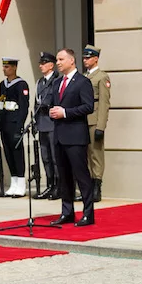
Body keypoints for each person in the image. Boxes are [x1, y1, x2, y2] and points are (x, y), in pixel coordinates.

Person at [47, 48, 96, 226]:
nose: (58, 62)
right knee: (64, 177)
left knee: (81, 176)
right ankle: (67, 212)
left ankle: (88, 214)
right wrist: (52, 111)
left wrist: (65, 112)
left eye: (61, 59)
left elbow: (88, 106)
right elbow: (54, 104)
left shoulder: (82, 82)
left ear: (71, 61)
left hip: (76, 136)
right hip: (59, 136)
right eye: (57, 59)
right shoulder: (57, 82)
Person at [0, 57, 30, 198]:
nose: (4, 69)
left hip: (14, 124)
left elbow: (23, 107)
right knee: (8, 154)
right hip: (4, 124)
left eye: (7, 67)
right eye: (4, 67)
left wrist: (20, 126)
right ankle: (13, 183)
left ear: (14, 68)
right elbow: (0, 104)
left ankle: (21, 184)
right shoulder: (2, 84)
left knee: (17, 154)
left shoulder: (21, 84)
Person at [83, 45, 111, 202]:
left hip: (94, 121)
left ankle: (96, 187)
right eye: (84, 58)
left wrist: (101, 126)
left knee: (96, 155)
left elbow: (104, 104)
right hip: (82, 121)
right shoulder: (83, 76)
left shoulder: (102, 77)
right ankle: (87, 187)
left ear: (96, 59)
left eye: (88, 57)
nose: (85, 60)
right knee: (85, 155)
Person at [33, 51, 60, 199]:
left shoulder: (57, 81)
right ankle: (49, 185)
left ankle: (58, 186)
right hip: (43, 123)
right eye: (40, 63)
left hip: (54, 124)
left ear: (51, 65)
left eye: (44, 63)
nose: (41, 66)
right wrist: (36, 123)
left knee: (56, 158)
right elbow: (35, 104)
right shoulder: (40, 82)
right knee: (46, 157)